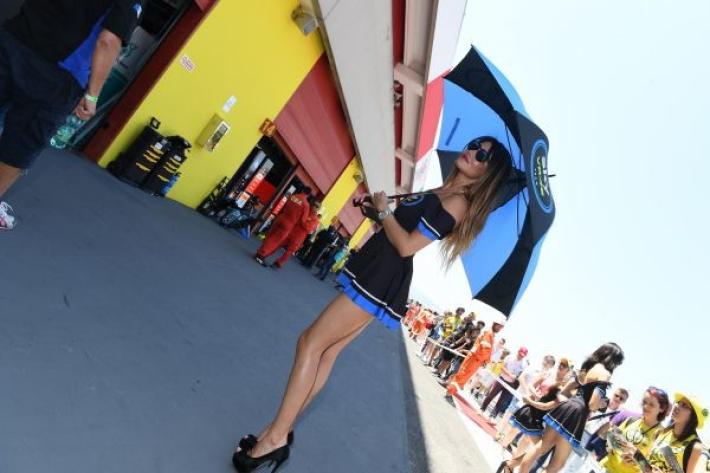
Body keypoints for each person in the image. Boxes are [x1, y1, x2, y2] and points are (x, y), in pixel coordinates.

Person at [231, 136, 515, 472]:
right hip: (377, 267)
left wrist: (384, 211)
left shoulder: (458, 202)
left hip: (382, 275)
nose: (472, 152)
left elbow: (407, 246)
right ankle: (277, 432)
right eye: (474, 145)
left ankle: (275, 438)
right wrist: (379, 213)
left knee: (310, 343)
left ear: (488, 174)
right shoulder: (442, 190)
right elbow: (398, 228)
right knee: (326, 352)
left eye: (483, 156)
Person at [0, 0, 145, 230]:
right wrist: (92, 95)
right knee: (21, 144)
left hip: (13, 39)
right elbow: (108, 41)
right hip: (57, 75)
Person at [513, 342, 625, 473]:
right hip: (577, 413)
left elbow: (566, 391)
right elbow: (592, 404)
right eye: (616, 363)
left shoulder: (588, 367)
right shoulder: (605, 374)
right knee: (558, 463)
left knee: (542, 447)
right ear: (611, 359)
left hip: (567, 406)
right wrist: (600, 404)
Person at [600, 386, 670, 473]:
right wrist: (611, 443)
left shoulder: (662, 435)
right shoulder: (632, 419)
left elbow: (655, 470)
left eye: (651, 404)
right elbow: (609, 440)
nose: (645, 406)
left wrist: (637, 458)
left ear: (662, 409)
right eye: (644, 402)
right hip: (606, 467)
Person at [444, 314, 505, 398]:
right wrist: (486, 361)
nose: (499, 328)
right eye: (499, 326)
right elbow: (484, 349)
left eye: (501, 327)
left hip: (476, 359)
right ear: (494, 324)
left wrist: (485, 361)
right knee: (462, 376)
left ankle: (451, 391)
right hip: (475, 359)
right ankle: (449, 392)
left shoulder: (490, 334)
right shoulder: (489, 334)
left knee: (463, 377)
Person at [644, 393, 708, 473]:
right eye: (678, 403)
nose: (677, 406)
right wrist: (635, 456)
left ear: (693, 417)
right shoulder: (661, 432)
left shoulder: (695, 447)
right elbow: (648, 462)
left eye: (684, 406)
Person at [254, 187, 311, 266]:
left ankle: (259, 252)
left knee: (270, 235)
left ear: (302, 190)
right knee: (275, 240)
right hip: (289, 223)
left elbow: (285, 205)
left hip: (281, 217)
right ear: (308, 195)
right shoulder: (306, 205)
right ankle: (261, 255)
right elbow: (302, 220)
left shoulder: (293, 196)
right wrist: (308, 228)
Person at [270, 199, 321, 269]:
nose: (314, 207)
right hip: (292, 231)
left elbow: (309, 229)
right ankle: (266, 254)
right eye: (314, 205)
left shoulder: (315, 220)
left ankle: (278, 263)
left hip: (299, 237)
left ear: (318, 209)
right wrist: (303, 222)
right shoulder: (306, 211)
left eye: (316, 206)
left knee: (289, 252)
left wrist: (302, 221)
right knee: (278, 244)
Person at [481, 347, 528, 419]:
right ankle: (482, 409)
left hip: (511, 384)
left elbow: (520, 375)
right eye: (520, 354)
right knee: (491, 395)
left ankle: (492, 416)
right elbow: (502, 367)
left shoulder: (524, 365)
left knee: (501, 401)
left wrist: (516, 376)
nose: (521, 356)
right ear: (518, 352)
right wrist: (509, 374)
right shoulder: (510, 357)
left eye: (523, 356)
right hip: (502, 379)